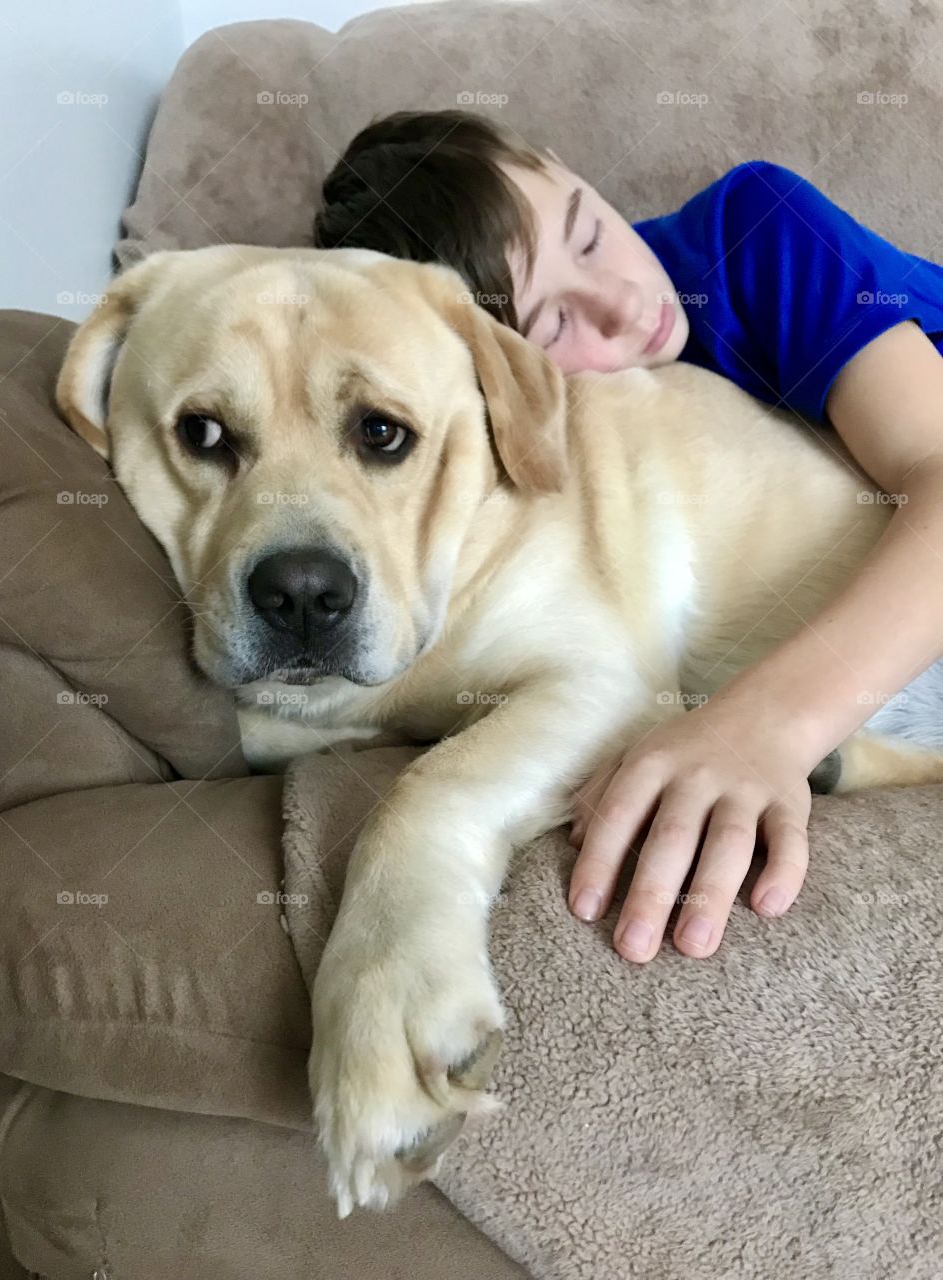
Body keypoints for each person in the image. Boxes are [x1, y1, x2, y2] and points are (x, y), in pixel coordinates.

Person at [313, 109, 943, 964]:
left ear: (569, 164)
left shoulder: (757, 229)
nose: (620, 304)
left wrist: (765, 728)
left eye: (587, 233)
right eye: (552, 325)